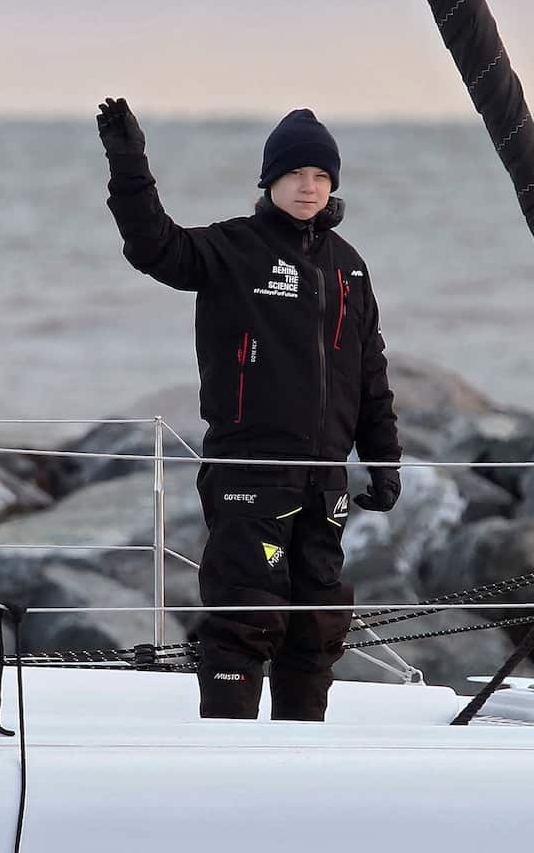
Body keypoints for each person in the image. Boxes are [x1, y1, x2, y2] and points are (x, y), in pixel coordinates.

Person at [97, 98, 402, 721]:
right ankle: (228, 749)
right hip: (249, 470)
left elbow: (370, 371)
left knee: (317, 624)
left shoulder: (349, 268)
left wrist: (383, 459)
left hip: (324, 478)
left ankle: (301, 749)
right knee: (245, 616)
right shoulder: (234, 247)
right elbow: (154, 246)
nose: (309, 187)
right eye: (295, 175)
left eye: (320, 176)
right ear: (270, 181)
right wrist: (129, 164)